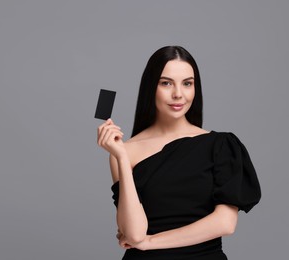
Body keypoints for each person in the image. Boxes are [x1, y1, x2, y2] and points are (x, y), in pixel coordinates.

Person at [97, 46, 261, 260]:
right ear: (151, 87)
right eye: (166, 83)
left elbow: (225, 223)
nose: (178, 94)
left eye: (187, 83)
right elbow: (134, 234)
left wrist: (150, 242)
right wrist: (121, 155)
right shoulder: (125, 151)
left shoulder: (221, 145)